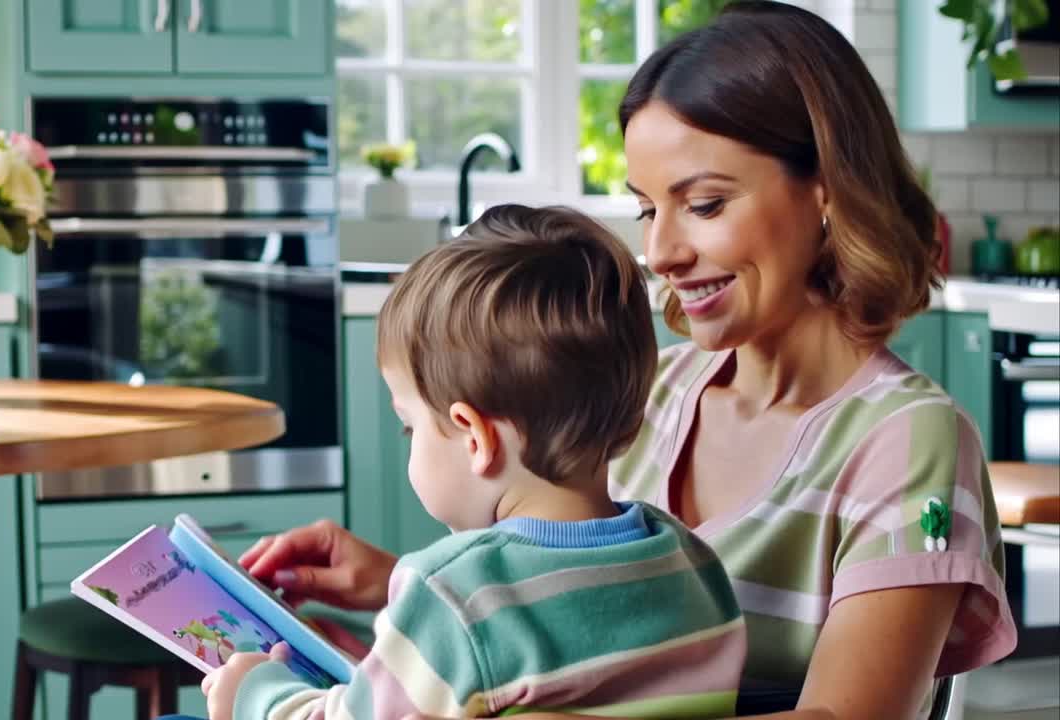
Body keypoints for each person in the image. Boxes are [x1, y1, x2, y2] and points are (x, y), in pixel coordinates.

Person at [238, 3, 1017, 719]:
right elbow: (595, 620)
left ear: (826, 189)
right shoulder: (659, 388)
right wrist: (407, 600)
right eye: (647, 209)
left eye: (704, 204)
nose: (662, 252)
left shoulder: (908, 440)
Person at [201, 204, 748, 719]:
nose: (409, 441)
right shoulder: (692, 565)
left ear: (473, 436)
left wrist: (256, 695)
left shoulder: (451, 594)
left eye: (409, 426)